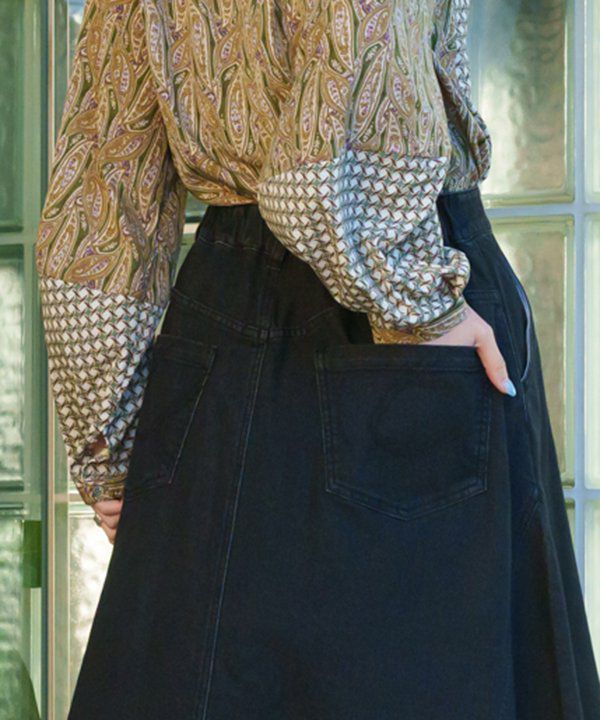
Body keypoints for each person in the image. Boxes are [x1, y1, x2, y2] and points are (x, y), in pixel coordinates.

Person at [35, 0, 600, 718]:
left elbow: (99, 199)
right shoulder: (395, 277)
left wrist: (110, 442)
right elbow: (350, 83)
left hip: (224, 322)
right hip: (395, 297)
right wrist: (418, 302)